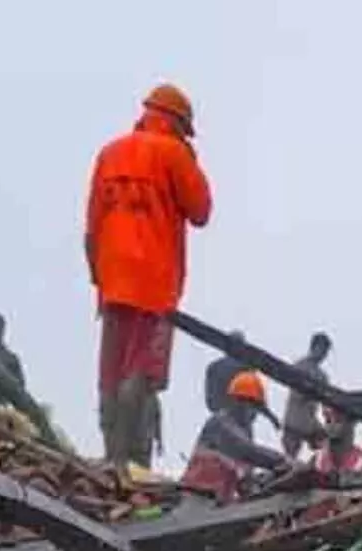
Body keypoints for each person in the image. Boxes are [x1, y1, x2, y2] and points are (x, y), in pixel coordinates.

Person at [87, 84, 212, 469]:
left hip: (112, 279)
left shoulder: (109, 153)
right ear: (176, 122)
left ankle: (111, 457)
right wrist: (188, 156)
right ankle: (129, 462)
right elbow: (201, 210)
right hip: (153, 283)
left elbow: (91, 228)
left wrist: (100, 279)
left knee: (112, 369)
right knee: (140, 370)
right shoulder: (174, 152)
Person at [180, 371, 288, 504]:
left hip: (218, 504)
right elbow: (247, 450)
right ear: (237, 401)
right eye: (252, 408)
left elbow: (246, 477)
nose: (254, 415)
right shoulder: (220, 423)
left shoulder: (244, 432)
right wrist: (283, 461)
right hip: (193, 500)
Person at [282, 332, 333, 457]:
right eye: (322, 350)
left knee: (331, 443)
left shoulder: (322, 376)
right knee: (289, 459)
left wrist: (328, 418)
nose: (324, 355)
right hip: (294, 419)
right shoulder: (299, 366)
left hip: (310, 421)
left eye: (326, 352)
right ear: (314, 347)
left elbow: (327, 401)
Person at [313, 407, 362, 487]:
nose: (331, 425)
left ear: (352, 423)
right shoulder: (316, 461)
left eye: (338, 421)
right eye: (328, 421)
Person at [204, 330, 245, 414]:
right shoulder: (246, 370)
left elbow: (210, 401)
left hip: (219, 415)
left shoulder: (213, 367)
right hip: (238, 418)